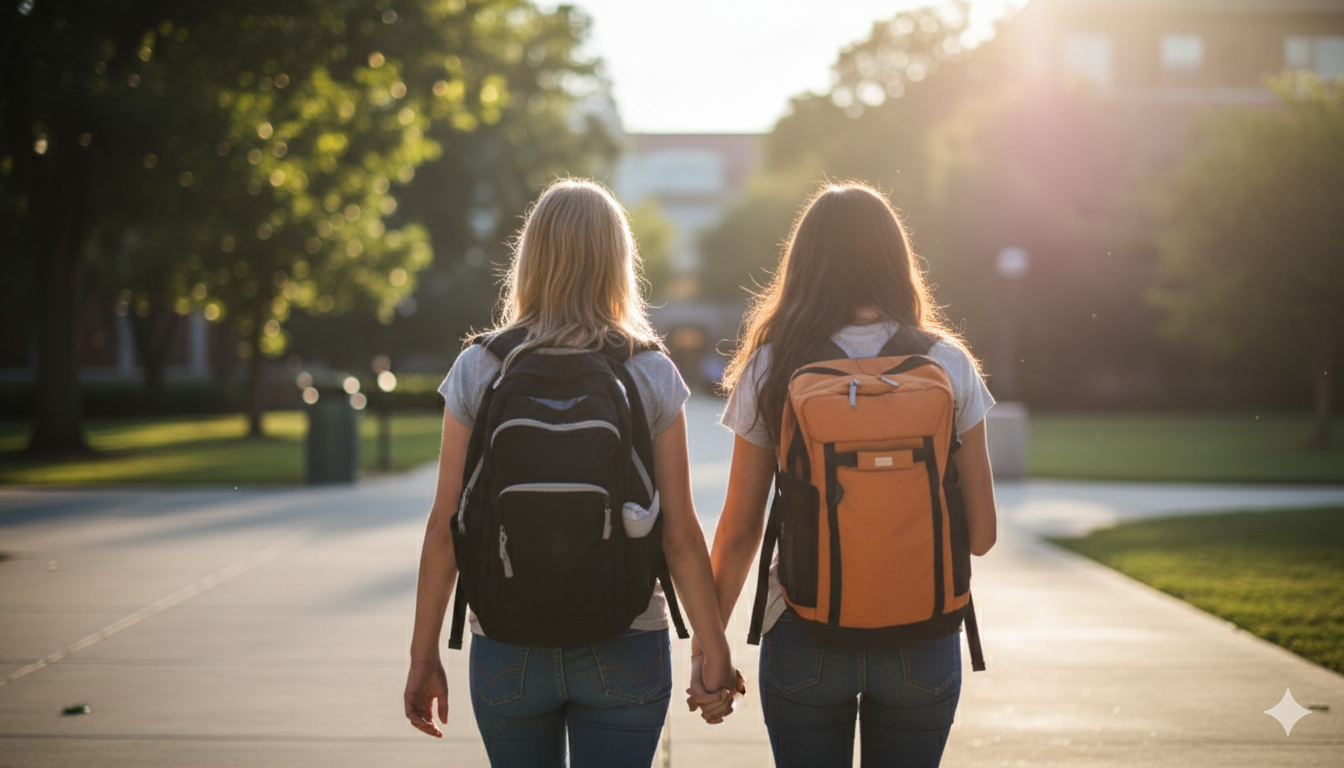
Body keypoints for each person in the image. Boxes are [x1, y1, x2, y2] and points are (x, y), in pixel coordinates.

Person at [403, 178, 737, 767]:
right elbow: (679, 532)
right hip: (626, 639)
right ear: (618, 262)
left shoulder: (480, 366)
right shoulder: (649, 370)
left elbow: (445, 525)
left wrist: (423, 654)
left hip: (507, 645)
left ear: (530, 259)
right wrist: (713, 649)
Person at [705, 182, 999, 767]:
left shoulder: (772, 363)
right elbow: (983, 537)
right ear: (897, 258)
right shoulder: (947, 362)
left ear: (804, 262)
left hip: (804, 633)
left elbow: (740, 530)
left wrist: (709, 654)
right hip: (923, 635)